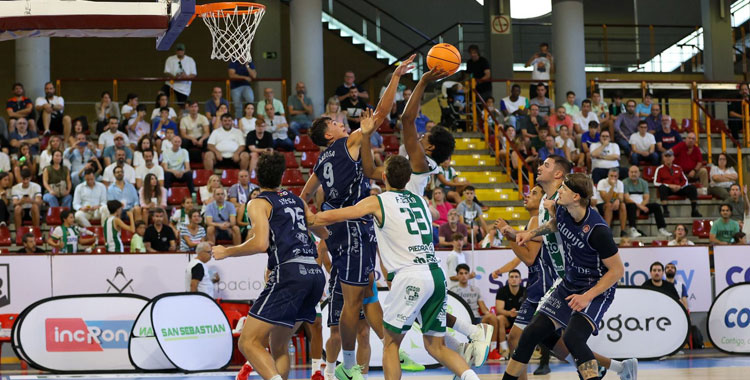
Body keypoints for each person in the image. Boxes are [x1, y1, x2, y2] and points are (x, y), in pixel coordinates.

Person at [310, 154, 482, 380]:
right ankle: (472, 376)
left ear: (383, 177)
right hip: (435, 274)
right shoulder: (421, 200)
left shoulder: (378, 201)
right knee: (436, 346)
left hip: (410, 276)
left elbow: (341, 214)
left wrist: (311, 218)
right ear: (408, 177)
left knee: (390, 344)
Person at [212, 152, 327, 380]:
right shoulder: (297, 199)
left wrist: (227, 251)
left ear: (256, 176)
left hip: (290, 272)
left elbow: (260, 242)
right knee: (279, 345)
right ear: (282, 176)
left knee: (248, 342)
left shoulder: (259, 202)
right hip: (314, 273)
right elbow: (322, 232)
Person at [509, 173, 628, 380]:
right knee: (530, 333)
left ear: (576, 197)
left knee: (573, 338)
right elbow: (555, 224)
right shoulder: (563, 210)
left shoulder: (598, 231)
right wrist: (530, 234)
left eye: (564, 188)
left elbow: (617, 271)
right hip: (570, 282)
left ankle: (598, 372)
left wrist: (587, 296)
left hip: (596, 288)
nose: (559, 190)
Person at [450, 264, 504, 361]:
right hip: (460, 319)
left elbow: (483, 308)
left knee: (492, 318)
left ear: (469, 275)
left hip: (475, 318)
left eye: (466, 273)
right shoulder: (452, 291)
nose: (463, 276)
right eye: (461, 273)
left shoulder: (475, 290)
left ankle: (492, 350)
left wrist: (488, 313)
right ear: (457, 275)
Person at [624, 166, 672, 238]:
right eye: (631, 172)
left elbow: (646, 198)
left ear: (639, 173)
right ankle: (632, 229)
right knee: (632, 206)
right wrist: (639, 207)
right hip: (630, 207)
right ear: (628, 173)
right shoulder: (624, 182)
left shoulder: (644, 183)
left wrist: (640, 208)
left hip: (642, 206)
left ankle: (661, 229)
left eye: (635, 172)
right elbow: (627, 199)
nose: (633, 174)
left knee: (656, 206)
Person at [654, 150, 701, 218]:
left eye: (670, 156)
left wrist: (679, 186)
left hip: (679, 188)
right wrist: (669, 185)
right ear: (663, 158)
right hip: (668, 189)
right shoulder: (659, 169)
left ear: (673, 158)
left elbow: (685, 180)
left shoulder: (678, 167)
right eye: (666, 156)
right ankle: (665, 211)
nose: (668, 158)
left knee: (692, 188)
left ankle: (694, 210)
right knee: (662, 188)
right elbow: (656, 183)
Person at [494, 269, 526, 360]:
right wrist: (509, 313)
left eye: (516, 277)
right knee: (500, 318)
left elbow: (530, 309)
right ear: (508, 280)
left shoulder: (525, 291)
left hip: (522, 318)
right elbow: (499, 310)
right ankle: (504, 350)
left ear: (520, 280)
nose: (514, 279)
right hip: (508, 318)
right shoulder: (502, 291)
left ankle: (532, 349)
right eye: (511, 277)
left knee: (533, 319)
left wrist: (518, 313)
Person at [161, 43, 197, 108]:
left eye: (181, 50)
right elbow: (166, 72)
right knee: (161, 95)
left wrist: (186, 77)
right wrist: (174, 77)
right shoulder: (170, 59)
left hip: (184, 88)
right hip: (171, 84)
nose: (180, 52)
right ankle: (164, 111)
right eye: (178, 50)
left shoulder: (190, 60)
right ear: (176, 51)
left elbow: (194, 74)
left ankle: (181, 117)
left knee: (184, 106)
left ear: (184, 51)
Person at [597, 168, 627, 236]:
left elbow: (621, 197)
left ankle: (623, 231)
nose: (613, 178)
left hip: (613, 204)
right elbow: (606, 199)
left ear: (618, 176)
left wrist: (617, 200)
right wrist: (612, 186)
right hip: (601, 204)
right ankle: (607, 230)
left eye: (615, 176)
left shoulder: (620, 183)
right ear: (608, 175)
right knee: (609, 204)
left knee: (623, 205)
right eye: (611, 176)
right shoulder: (602, 182)